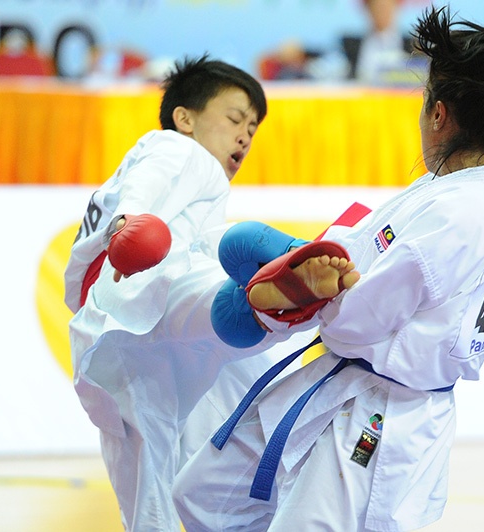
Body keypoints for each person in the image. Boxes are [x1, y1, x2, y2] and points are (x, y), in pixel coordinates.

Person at [173, 7, 484, 531]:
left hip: (383, 415)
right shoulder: (464, 186)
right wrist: (306, 258)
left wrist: (295, 294)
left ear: (439, 114)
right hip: (346, 379)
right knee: (204, 495)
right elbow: (363, 244)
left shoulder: (460, 213)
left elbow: (356, 322)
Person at [63, 54, 315, 532]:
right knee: (232, 430)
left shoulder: (182, 180)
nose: (245, 136)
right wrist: (129, 223)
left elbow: (78, 281)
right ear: (185, 118)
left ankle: (262, 296)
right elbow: (147, 186)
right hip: (141, 307)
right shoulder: (176, 148)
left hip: (132, 326)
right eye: (235, 119)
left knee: (199, 455)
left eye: (253, 129)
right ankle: (270, 289)